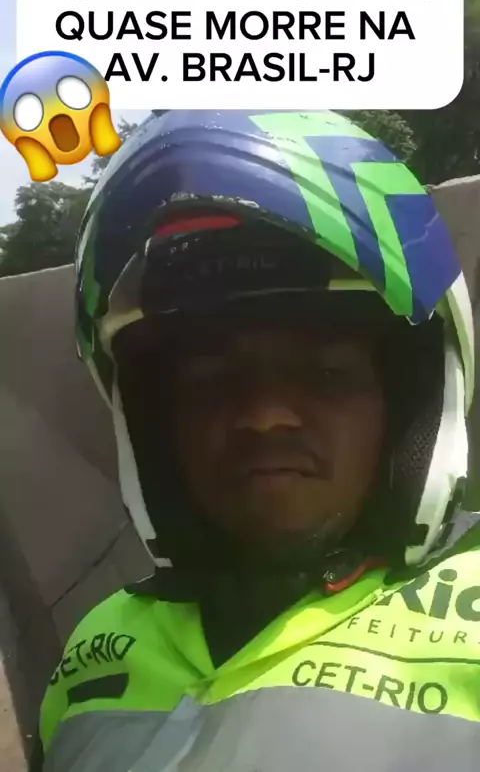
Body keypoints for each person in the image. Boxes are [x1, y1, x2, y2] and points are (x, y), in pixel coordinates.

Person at [32, 109, 480, 772]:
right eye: (213, 382)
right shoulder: (96, 648)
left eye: (325, 373)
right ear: (156, 425)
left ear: (408, 401)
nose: (265, 416)